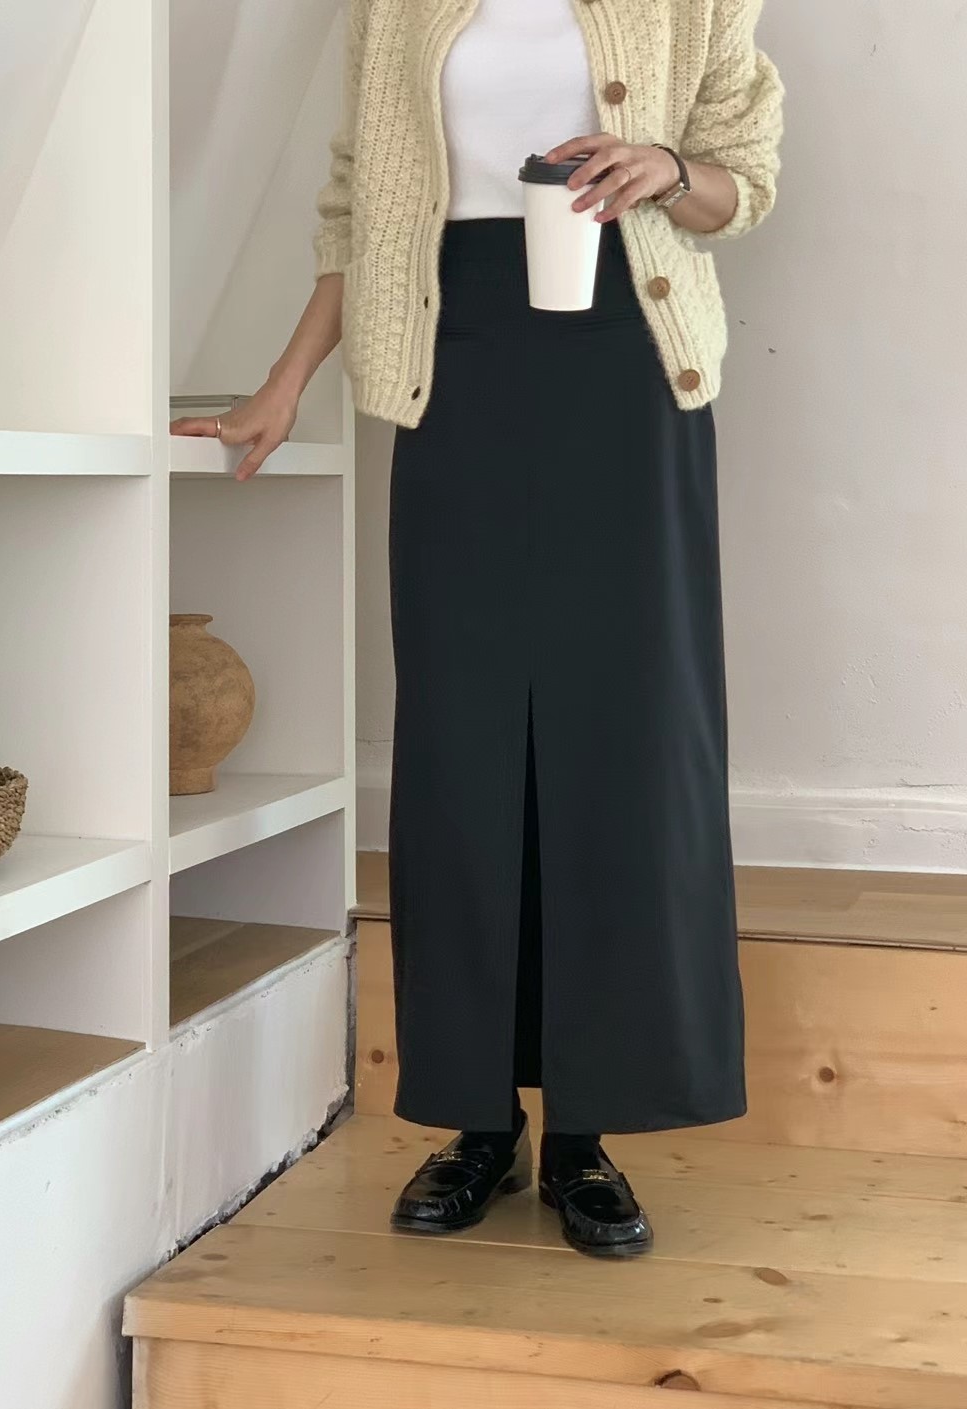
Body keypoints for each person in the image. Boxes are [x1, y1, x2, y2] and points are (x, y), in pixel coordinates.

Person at [172, 0, 784, 1259]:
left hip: (626, 360)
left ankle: (586, 1133)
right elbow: (361, 201)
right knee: (460, 743)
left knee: (622, 739)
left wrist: (667, 169)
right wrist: (283, 385)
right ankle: (477, 1121)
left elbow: (746, 185)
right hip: (457, 366)